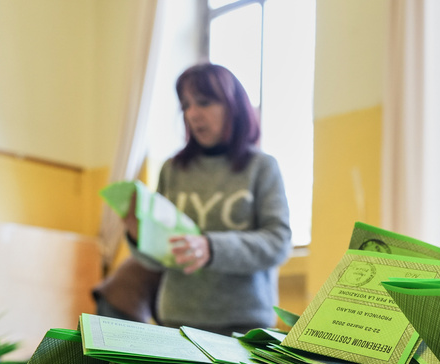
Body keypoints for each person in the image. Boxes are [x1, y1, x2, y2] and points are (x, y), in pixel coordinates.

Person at [94, 62, 292, 337]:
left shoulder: (262, 167)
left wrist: (212, 248)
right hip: (176, 321)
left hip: (244, 325)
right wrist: (141, 237)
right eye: (185, 105)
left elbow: (278, 242)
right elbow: (159, 261)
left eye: (204, 102)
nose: (193, 114)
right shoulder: (173, 169)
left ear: (233, 106)